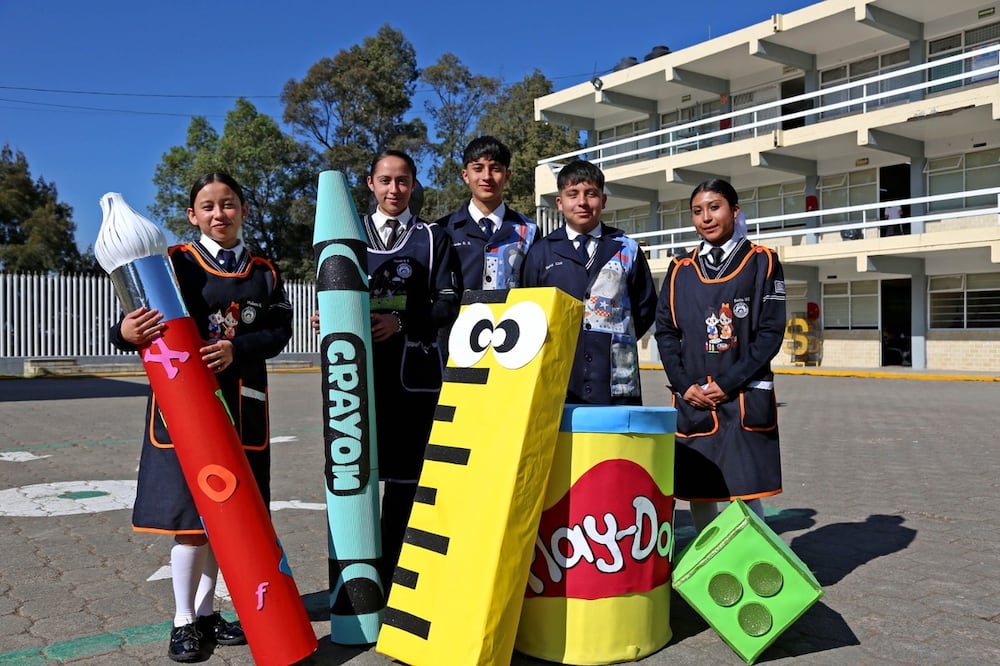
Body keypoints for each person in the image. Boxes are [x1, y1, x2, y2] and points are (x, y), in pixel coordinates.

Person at [110, 172, 292, 662]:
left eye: (228, 204)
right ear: (192, 216)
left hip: (241, 408)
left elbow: (279, 332)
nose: (219, 214)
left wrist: (237, 348)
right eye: (208, 206)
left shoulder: (264, 271)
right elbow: (136, 324)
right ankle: (183, 620)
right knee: (192, 521)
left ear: (244, 210)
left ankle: (209, 611)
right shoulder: (171, 264)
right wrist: (122, 331)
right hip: (186, 412)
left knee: (226, 520)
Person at [314, 150, 460, 588]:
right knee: (354, 476)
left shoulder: (434, 238)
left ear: (413, 184)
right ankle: (359, 572)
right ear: (370, 183)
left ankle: (397, 575)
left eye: (402, 181)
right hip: (355, 378)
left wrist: (401, 321)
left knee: (404, 482)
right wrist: (329, 314)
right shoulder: (346, 235)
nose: (393, 189)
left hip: (412, 378)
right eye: (385, 180)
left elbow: (449, 302)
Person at [653, 178, 786, 533]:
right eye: (697, 211)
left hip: (742, 395)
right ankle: (706, 571)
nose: (706, 218)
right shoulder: (681, 269)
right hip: (695, 398)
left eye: (715, 207)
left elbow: (770, 334)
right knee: (699, 489)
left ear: (735, 211)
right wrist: (684, 386)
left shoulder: (762, 262)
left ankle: (757, 566)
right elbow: (665, 332)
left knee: (746, 490)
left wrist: (727, 384)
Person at [523, 159, 656, 405]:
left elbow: (645, 308)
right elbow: (529, 312)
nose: (582, 202)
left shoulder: (627, 248)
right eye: (572, 194)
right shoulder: (540, 253)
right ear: (560, 203)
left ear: (603, 200)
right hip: (560, 375)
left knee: (615, 442)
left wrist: (613, 336)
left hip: (615, 376)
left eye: (591, 194)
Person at [437, 135, 538, 292]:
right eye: (478, 168)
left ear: (507, 176)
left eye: (495, 169)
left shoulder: (529, 231)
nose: (486, 177)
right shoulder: (443, 230)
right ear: (465, 175)